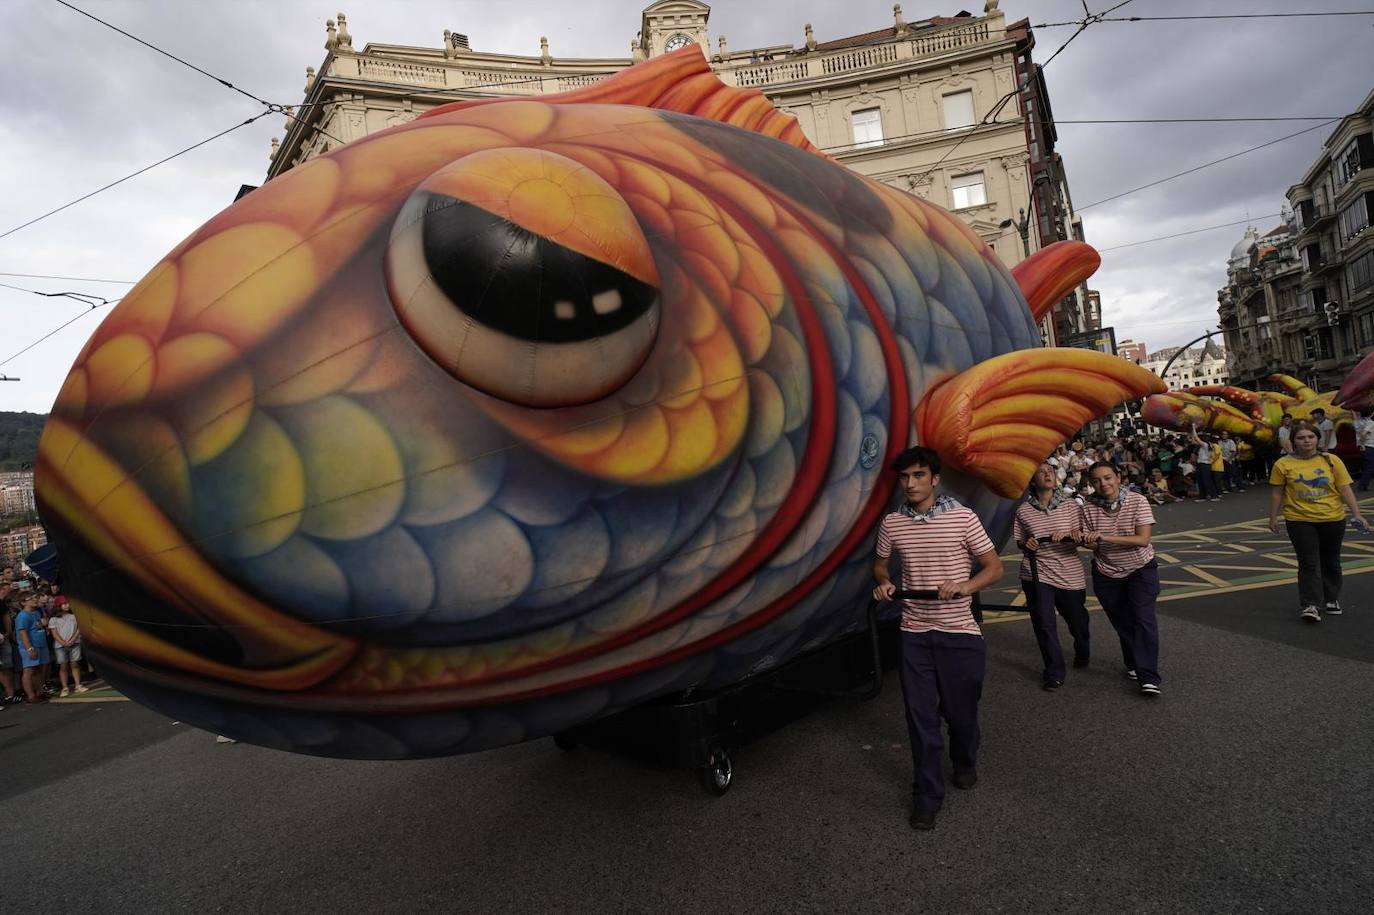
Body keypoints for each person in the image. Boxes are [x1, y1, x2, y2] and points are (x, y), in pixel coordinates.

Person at [873, 446, 1003, 831]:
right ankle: (926, 795)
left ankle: (964, 759)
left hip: (959, 633)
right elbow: (881, 566)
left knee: (960, 715)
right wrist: (884, 584)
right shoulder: (892, 524)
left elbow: (993, 568)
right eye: (904, 477)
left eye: (918, 476)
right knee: (920, 719)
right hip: (914, 632)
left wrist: (965, 586)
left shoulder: (964, 518)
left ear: (934, 479)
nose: (910, 484)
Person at [1268, 420, 1369, 622]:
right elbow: (1277, 492)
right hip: (1299, 519)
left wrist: (1357, 513)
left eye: (1310, 437)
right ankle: (1310, 604)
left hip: (1333, 518)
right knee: (1308, 563)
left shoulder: (1332, 460)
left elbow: (1345, 489)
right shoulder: (1283, 464)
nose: (1306, 441)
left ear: (1317, 439)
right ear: (1293, 441)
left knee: (1331, 561)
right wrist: (1273, 517)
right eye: (1301, 438)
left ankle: (1331, 599)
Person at [1080, 462, 1163, 697]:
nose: (1103, 484)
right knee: (1123, 622)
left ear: (1118, 477)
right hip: (1107, 572)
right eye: (1096, 481)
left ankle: (1148, 676)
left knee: (1143, 619)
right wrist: (1082, 539)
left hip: (1141, 569)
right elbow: (1093, 544)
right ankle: (1134, 661)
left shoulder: (1137, 501)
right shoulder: (1088, 508)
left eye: (1107, 478)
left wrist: (1104, 536)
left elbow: (1142, 539)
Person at [1014, 462, 1090, 691]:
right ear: (1032, 480)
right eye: (1041, 472)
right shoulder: (1023, 511)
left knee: (1078, 622)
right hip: (1036, 573)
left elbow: (1082, 536)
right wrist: (1026, 543)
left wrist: (1070, 536)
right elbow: (1020, 540)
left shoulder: (1071, 507)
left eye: (1051, 471)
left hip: (1069, 574)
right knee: (1044, 624)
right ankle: (1054, 672)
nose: (1048, 475)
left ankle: (1083, 649)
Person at [14, 596, 50, 703]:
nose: (35, 600)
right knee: (29, 670)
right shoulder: (22, 616)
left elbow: (39, 625)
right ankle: (30, 696)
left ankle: (40, 692)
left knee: (38, 669)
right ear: (23, 602)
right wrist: (29, 648)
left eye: (35, 598)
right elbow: (22, 633)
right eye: (31, 599)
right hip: (30, 646)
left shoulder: (36, 613)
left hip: (40, 644)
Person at [47, 601, 88, 697]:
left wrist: (72, 640)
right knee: (63, 666)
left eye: (67, 603)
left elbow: (78, 629)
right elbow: (54, 633)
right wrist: (63, 642)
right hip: (60, 646)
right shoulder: (53, 619)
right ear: (58, 606)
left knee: (75, 664)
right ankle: (65, 687)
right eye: (64, 604)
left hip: (75, 643)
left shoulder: (74, 616)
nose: (67, 605)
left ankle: (78, 685)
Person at [1188, 426, 1221, 501]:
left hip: (1205, 464)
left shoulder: (1206, 445)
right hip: (1200, 464)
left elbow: (1196, 439)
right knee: (1200, 480)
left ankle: (1214, 495)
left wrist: (1193, 428)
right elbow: (1194, 440)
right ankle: (1202, 496)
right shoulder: (1203, 445)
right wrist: (1191, 432)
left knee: (1207, 480)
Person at [1355, 409, 1374, 492]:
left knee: (1366, 467)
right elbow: (1363, 434)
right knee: (1370, 467)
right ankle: (1362, 485)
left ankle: (1363, 485)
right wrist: (1363, 444)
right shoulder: (1370, 423)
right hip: (1369, 446)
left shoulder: (1357, 422)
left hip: (1361, 447)